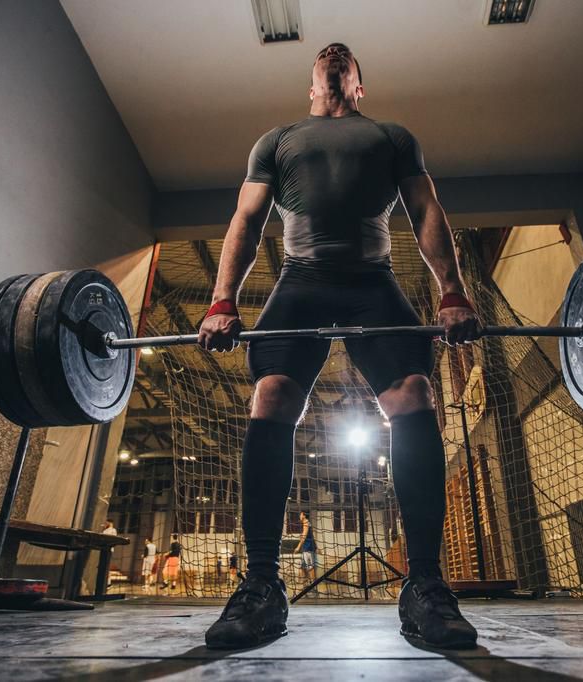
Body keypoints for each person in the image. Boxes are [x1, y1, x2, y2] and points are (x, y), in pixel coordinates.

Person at [199, 43, 480, 650]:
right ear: (311, 86)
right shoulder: (276, 141)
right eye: (325, 60)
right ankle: (262, 584)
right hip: (300, 281)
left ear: (358, 87)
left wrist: (452, 292)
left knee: (415, 393)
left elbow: (425, 209)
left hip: (371, 283)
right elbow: (246, 220)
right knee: (271, 397)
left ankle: (426, 586)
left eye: (346, 62)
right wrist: (223, 301)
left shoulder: (391, 136)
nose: (334, 56)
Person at [293, 511, 317, 582]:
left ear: (304, 515)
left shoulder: (306, 523)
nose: (299, 516)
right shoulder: (306, 523)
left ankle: (313, 583)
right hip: (306, 547)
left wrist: (298, 547)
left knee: (310, 566)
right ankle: (306, 581)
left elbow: (304, 536)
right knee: (302, 566)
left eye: (300, 515)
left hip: (308, 547)